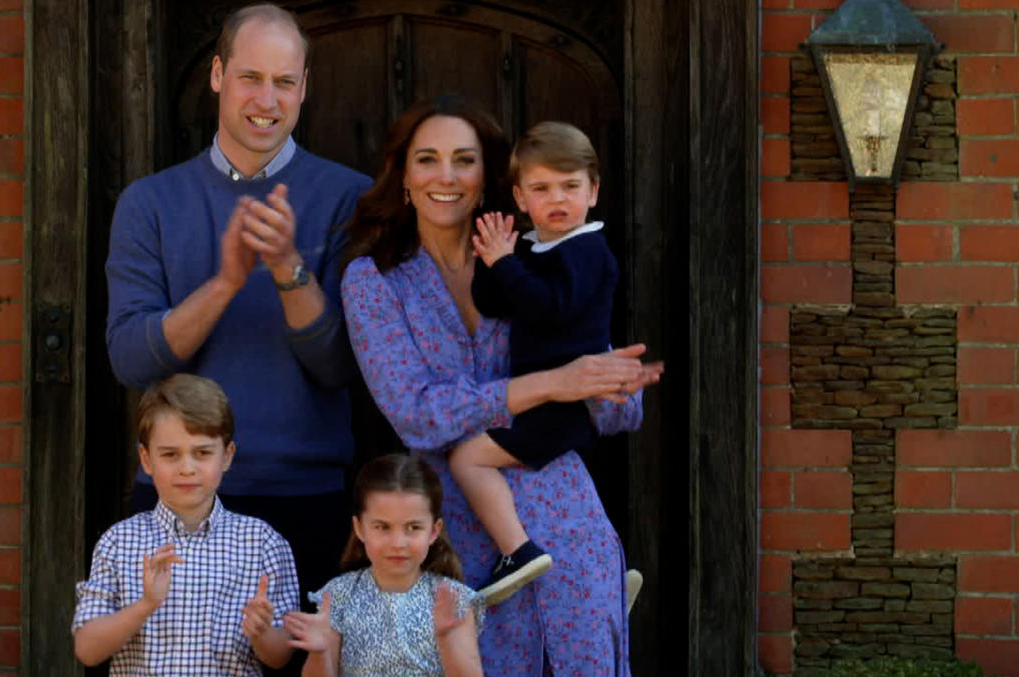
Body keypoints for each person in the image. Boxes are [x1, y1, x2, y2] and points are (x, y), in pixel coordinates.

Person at [340, 94, 661, 676]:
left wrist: (613, 383)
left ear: (487, 178)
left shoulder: (534, 256)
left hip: (567, 519)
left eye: (464, 160)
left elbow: (614, 406)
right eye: (427, 160)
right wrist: (551, 384)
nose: (446, 176)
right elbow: (417, 414)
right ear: (404, 177)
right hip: (452, 533)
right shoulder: (374, 281)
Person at [103, 2, 372, 648]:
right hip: (176, 507)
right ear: (218, 75)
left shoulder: (350, 199)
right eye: (251, 77)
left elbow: (343, 366)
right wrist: (224, 281)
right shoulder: (150, 202)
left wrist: (286, 268)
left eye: (285, 82)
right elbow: (130, 361)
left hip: (308, 502)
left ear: (305, 87)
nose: (267, 100)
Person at [450, 121, 662, 605]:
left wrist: (506, 263)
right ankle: (603, 580)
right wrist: (492, 258)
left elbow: (550, 308)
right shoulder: (533, 247)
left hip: (563, 403)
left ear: (594, 191)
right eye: (542, 188)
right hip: (543, 396)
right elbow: (494, 303)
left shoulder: (588, 251)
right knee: (561, 494)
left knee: (468, 458)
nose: (558, 199)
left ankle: (517, 552)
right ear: (521, 199)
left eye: (570, 186)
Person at [72, 374, 299, 675]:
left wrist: (262, 633)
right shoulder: (119, 542)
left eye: (202, 453)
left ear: (227, 456)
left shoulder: (262, 543)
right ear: (147, 459)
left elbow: (282, 656)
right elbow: (87, 650)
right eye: (170, 454)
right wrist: (145, 605)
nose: (187, 468)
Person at [285, 454, 484, 677]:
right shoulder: (338, 596)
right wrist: (320, 653)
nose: (398, 543)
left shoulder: (452, 599)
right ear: (359, 528)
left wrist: (447, 641)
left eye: (413, 527)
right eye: (382, 527)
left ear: (434, 531)